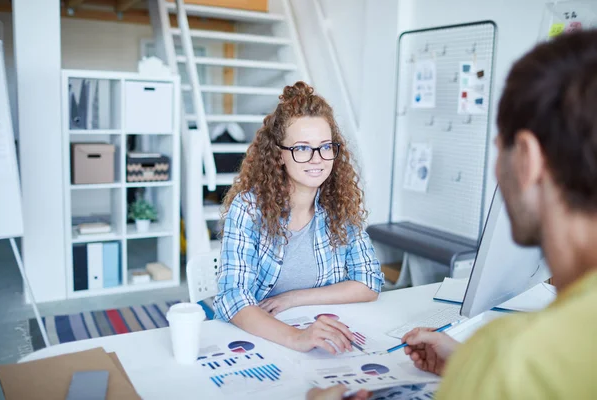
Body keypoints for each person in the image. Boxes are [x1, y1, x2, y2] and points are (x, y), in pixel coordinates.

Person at [397, 30, 597, 398]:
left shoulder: (512, 358)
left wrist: (481, 369)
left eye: (499, 148)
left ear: (527, 158)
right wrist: (470, 364)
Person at [213, 81, 384, 355]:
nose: (317, 159)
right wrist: (296, 338)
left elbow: (369, 282)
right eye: (302, 148)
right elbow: (233, 297)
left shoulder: (339, 203)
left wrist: (294, 298)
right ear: (279, 155)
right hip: (261, 338)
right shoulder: (248, 208)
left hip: (319, 329)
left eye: (325, 146)